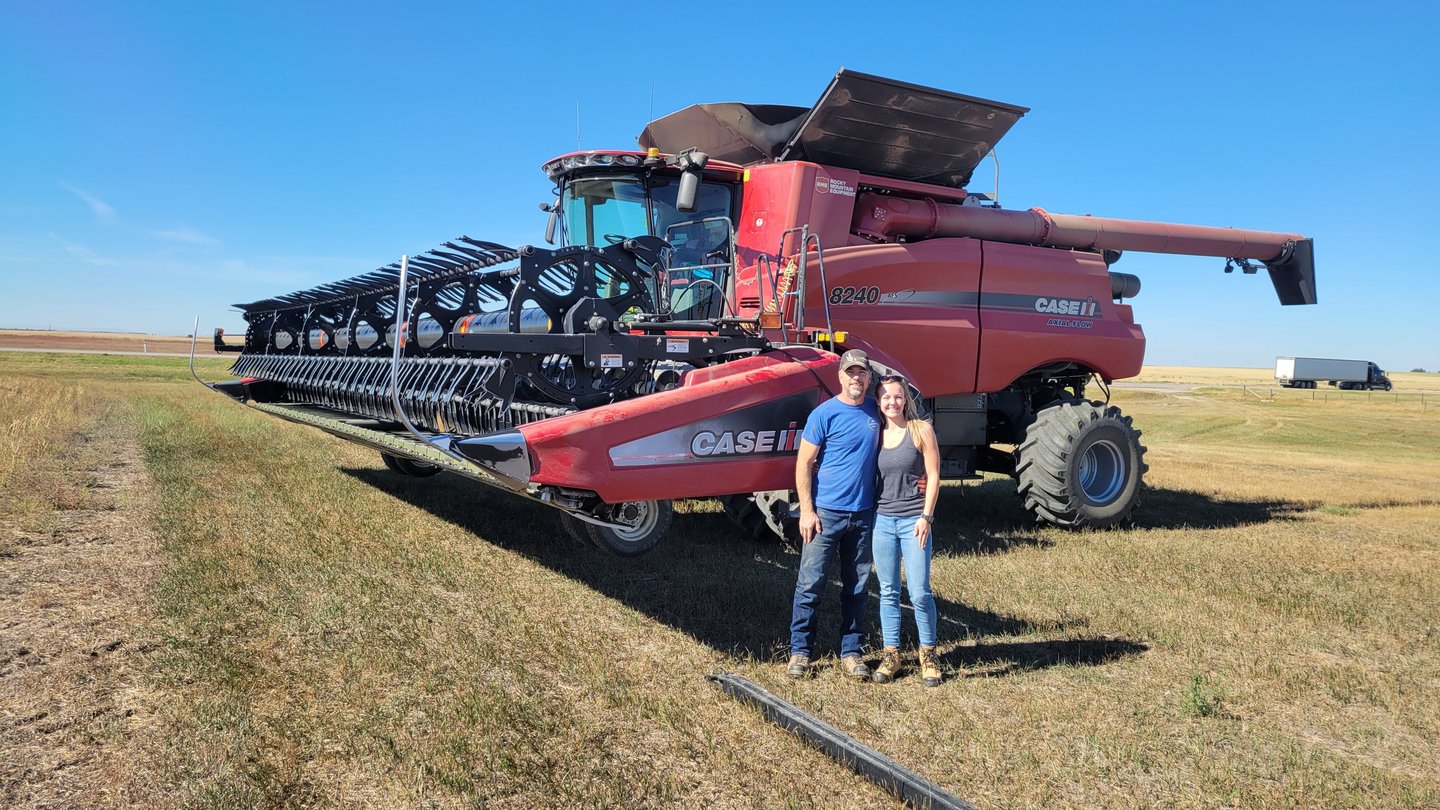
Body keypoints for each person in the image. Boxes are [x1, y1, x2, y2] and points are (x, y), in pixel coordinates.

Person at [787, 349, 882, 681]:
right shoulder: (824, 414)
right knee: (810, 584)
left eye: (862, 372)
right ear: (840, 376)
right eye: (850, 372)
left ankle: (852, 652)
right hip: (825, 515)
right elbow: (803, 464)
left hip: (863, 515)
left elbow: (906, 438)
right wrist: (807, 510)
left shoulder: (877, 411)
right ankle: (801, 651)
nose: (856, 377)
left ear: (870, 377)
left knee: (857, 588)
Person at [870, 374, 943, 687]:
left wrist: (926, 517)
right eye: (886, 397)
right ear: (878, 402)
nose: (892, 402)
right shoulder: (876, 434)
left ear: (906, 399)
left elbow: (934, 475)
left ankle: (929, 654)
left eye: (897, 396)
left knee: (919, 592)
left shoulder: (921, 430)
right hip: (882, 522)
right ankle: (892, 655)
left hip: (914, 521)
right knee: (888, 591)